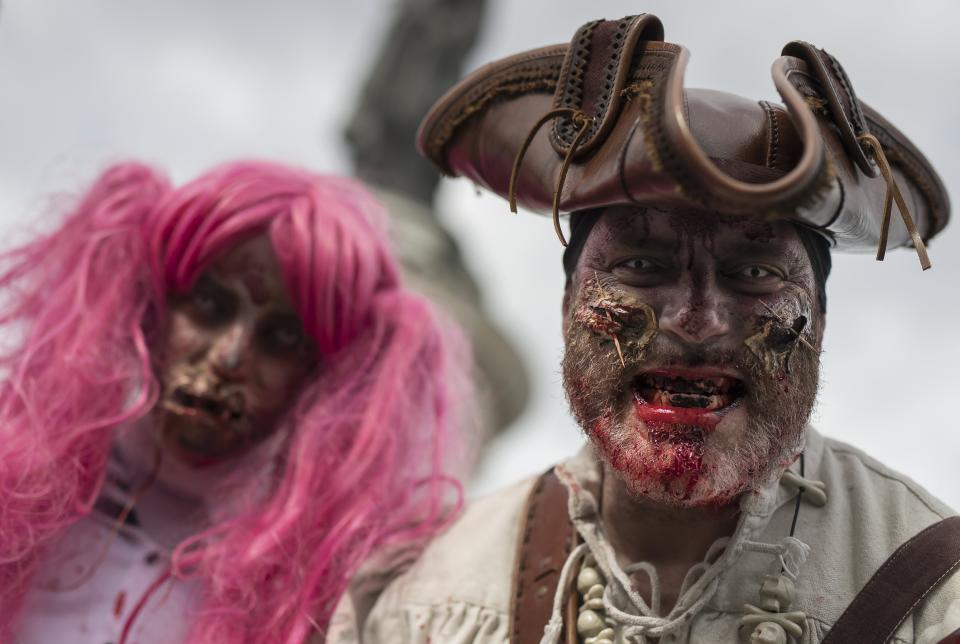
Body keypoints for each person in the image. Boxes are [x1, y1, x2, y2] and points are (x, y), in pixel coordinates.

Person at [350, 13, 959, 644]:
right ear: (566, 307)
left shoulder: (938, 598)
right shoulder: (424, 604)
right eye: (642, 265)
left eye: (752, 272)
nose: (696, 321)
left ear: (821, 323)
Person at [0, 161, 467, 642]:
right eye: (208, 305)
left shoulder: (326, 603)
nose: (229, 358)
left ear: (321, 381)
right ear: (149, 305)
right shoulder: (17, 485)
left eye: (281, 338)